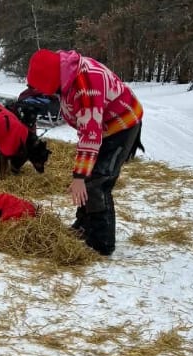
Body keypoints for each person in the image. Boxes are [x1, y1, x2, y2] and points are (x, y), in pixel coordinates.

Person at [26, 49, 143, 256]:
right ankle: (84, 225)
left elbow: (91, 133)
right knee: (89, 177)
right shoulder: (65, 72)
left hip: (121, 125)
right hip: (102, 126)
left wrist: (79, 176)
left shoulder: (86, 84)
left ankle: (101, 242)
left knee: (97, 181)